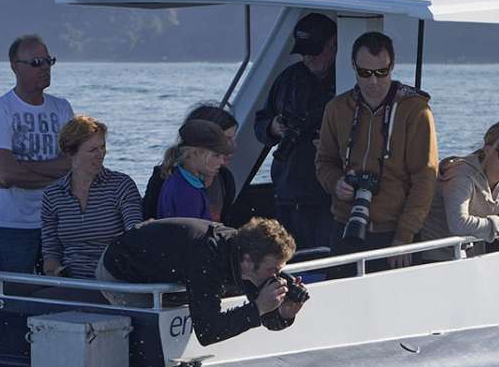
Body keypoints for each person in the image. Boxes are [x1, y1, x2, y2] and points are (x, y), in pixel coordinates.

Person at [313, 31, 438, 269]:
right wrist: (336, 183)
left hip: (395, 234)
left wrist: (404, 236)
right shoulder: (337, 108)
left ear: (393, 66)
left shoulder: (415, 110)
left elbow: (425, 178)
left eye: (382, 72)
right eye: (365, 72)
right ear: (353, 66)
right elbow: (324, 162)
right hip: (346, 227)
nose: (374, 81)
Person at [96, 217, 302, 346]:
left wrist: (284, 313)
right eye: (272, 269)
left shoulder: (245, 257)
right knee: (151, 337)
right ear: (248, 261)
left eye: (280, 269)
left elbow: (265, 318)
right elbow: (207, 332)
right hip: (121, 271)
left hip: (167, 269)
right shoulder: (209, 257)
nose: (276, 276)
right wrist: (257, 308)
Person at [0, 33, 74, 274]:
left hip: (55, 221)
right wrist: (57, 176)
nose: (44, 68)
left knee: (59, 291)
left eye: (48, 61)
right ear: (15, 67)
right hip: (12, 223)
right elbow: (7, 174)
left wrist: (24, 166)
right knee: (15, 293)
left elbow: (73, 165)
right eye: (36, 63)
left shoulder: (62, 108)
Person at [252, 13, 338, 250]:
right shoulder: (287, 79)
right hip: (287, 193)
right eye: (303, 51)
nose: (308, 57)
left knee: (323, 257)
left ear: (334, 44)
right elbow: (260, 122)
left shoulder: (347, 81)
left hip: (326, 197)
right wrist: (273, 127)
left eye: (315, 50)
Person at [38, 115, 143, 278]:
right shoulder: (53, 194)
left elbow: (134, 235)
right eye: (93, 150)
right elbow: (51, 251)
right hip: (71, 281)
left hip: (114, 279)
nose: (100, 154)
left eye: (102, 147)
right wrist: (56, 273)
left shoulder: (121, 185)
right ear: (70, 152)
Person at [419, 120, 499, 259]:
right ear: (487, 150)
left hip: (471, 253)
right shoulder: (462, 176)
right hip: (437, 256)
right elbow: (458, 224)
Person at [143, 105, 240, 222]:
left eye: (233, 139)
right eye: (226, 139)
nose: (232, 146)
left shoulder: (225, 179)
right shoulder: (164, 177)